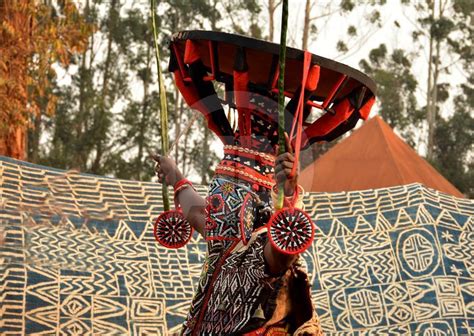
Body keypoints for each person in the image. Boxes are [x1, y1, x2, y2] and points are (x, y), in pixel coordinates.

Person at [153, 133, 323, 335]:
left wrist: (287, 195)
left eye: (220, 199)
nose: (211, 207)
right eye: (213, 198)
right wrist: (175, 176)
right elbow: (196, 211)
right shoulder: (221, 242)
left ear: (249, 210)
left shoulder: (261, 248)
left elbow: (283, 252)